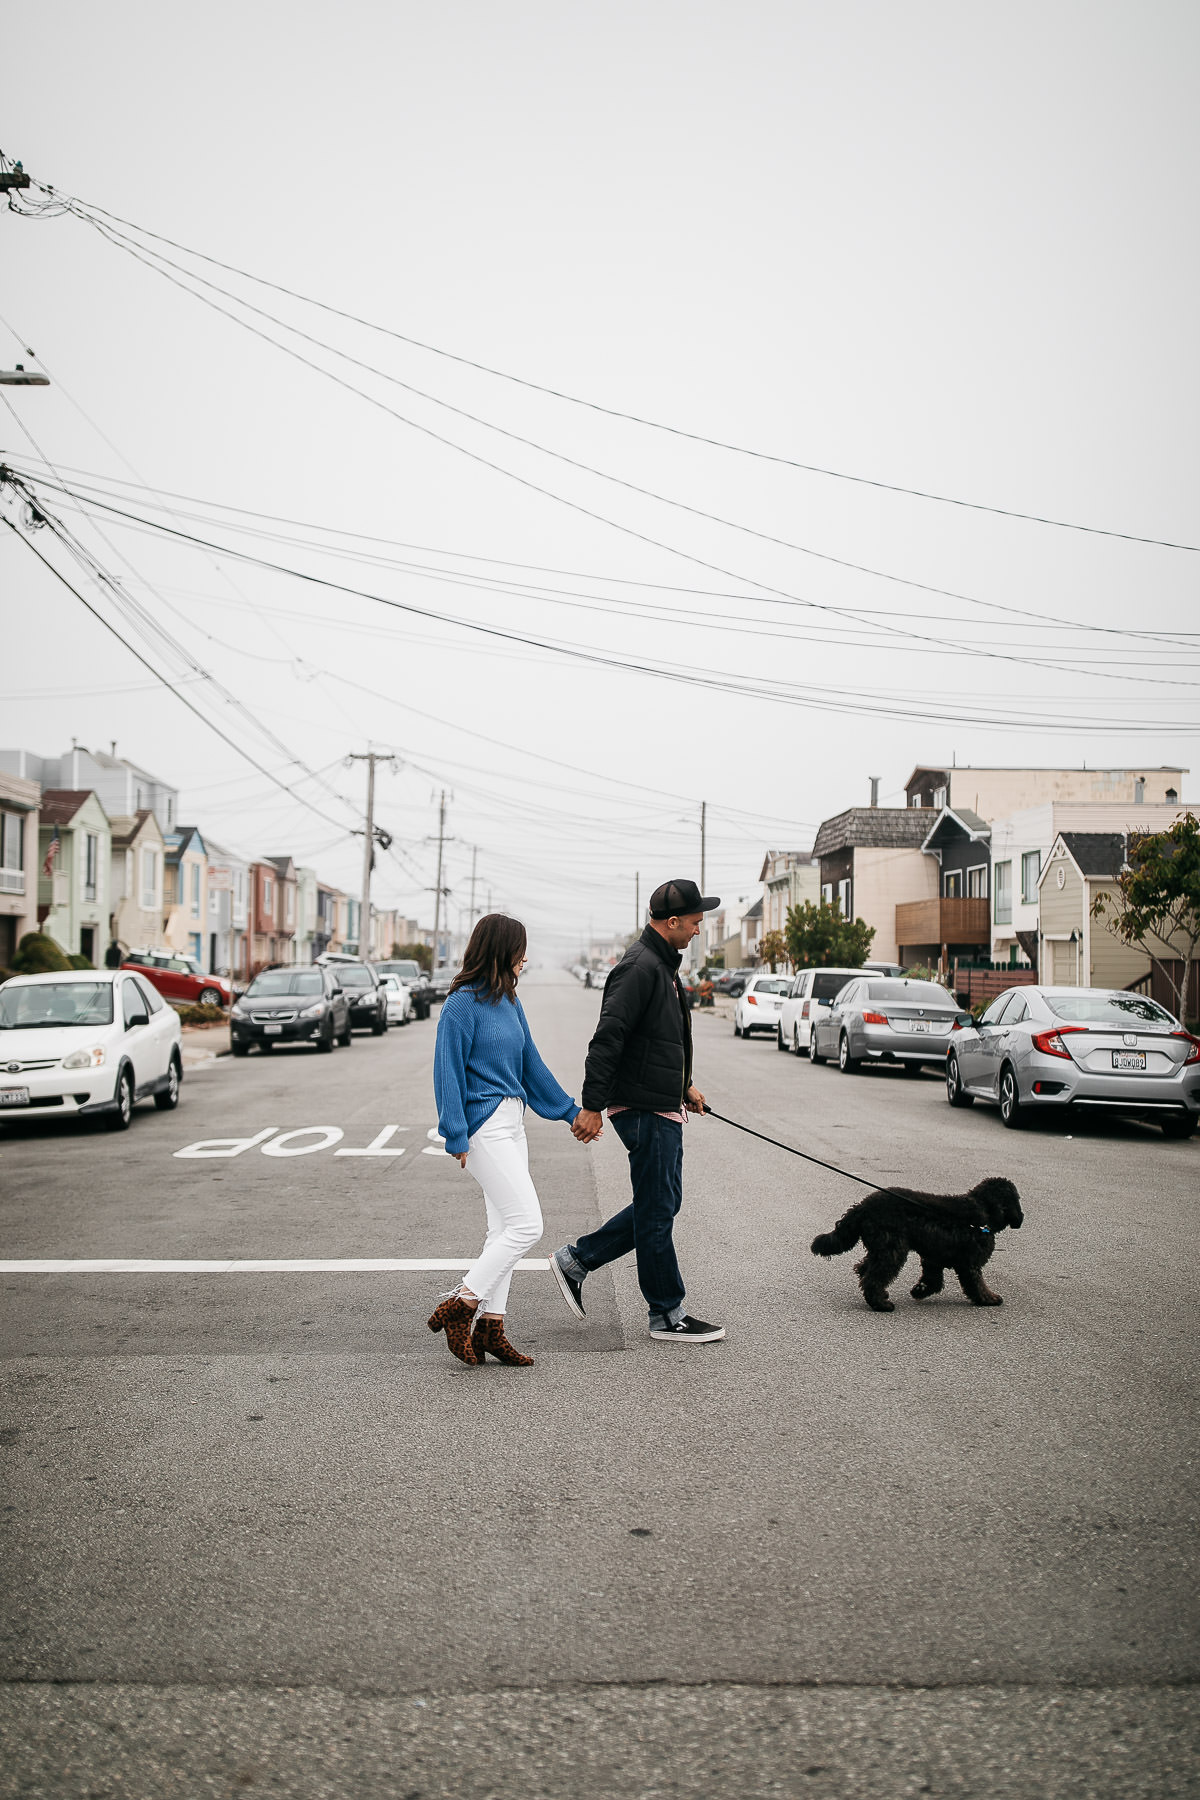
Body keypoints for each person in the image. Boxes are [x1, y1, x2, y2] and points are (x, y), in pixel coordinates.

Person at [550, 878, 726, 1344]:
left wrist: (684, 1086)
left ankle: (577, 1261)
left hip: (660, 1102)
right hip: (643, 1109)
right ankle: (666, 1313)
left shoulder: (661, 965)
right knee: (657, 1210)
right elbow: (608, 1039)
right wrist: (591, 1106)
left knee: (661, 1204)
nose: (698, 930)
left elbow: (659, 1041)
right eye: (695, 922)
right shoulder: (639, 968)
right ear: (673, 922)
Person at [428, 913, 599, 1367]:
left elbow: (530, 1064)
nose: (525, 958)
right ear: (501, 950)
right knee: (527, 1225)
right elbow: (446, 1072)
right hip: (482, 1126)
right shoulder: (460, 1005)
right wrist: (455, 1133)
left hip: (512, 1122)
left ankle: (491, 1326)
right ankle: (462, 1303)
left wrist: (569, 1111)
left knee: (502, 1230)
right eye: (520, 949)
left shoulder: (509, 1000)